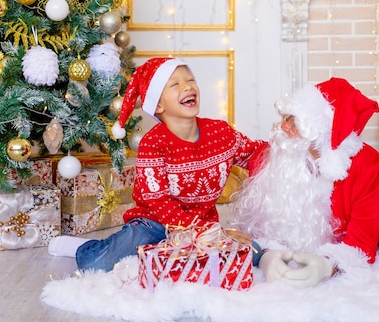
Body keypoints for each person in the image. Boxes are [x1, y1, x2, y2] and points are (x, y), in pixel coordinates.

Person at [48, 57, 267, 271]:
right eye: (175, 84)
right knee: (97, 263)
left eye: (190, 80)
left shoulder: (220, 133)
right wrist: (203, 233)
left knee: (253, 253)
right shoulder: (153, 144)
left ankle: (167, 253)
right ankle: (87, 247)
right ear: (158, 104)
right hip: (154, 225)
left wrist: (290, 145)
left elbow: (257, 152)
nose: (187, 87)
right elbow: (159, 201)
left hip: (204, 223)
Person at [233, 77, 379, 288]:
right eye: (285, 118)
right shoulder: (272, 157)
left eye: (294, 121)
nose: (283, 126)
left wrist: (328, 265)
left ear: (321, 131)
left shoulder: (366, 164)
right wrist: (265, 255)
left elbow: (363, 240)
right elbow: (256, 229)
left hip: (337, 279)